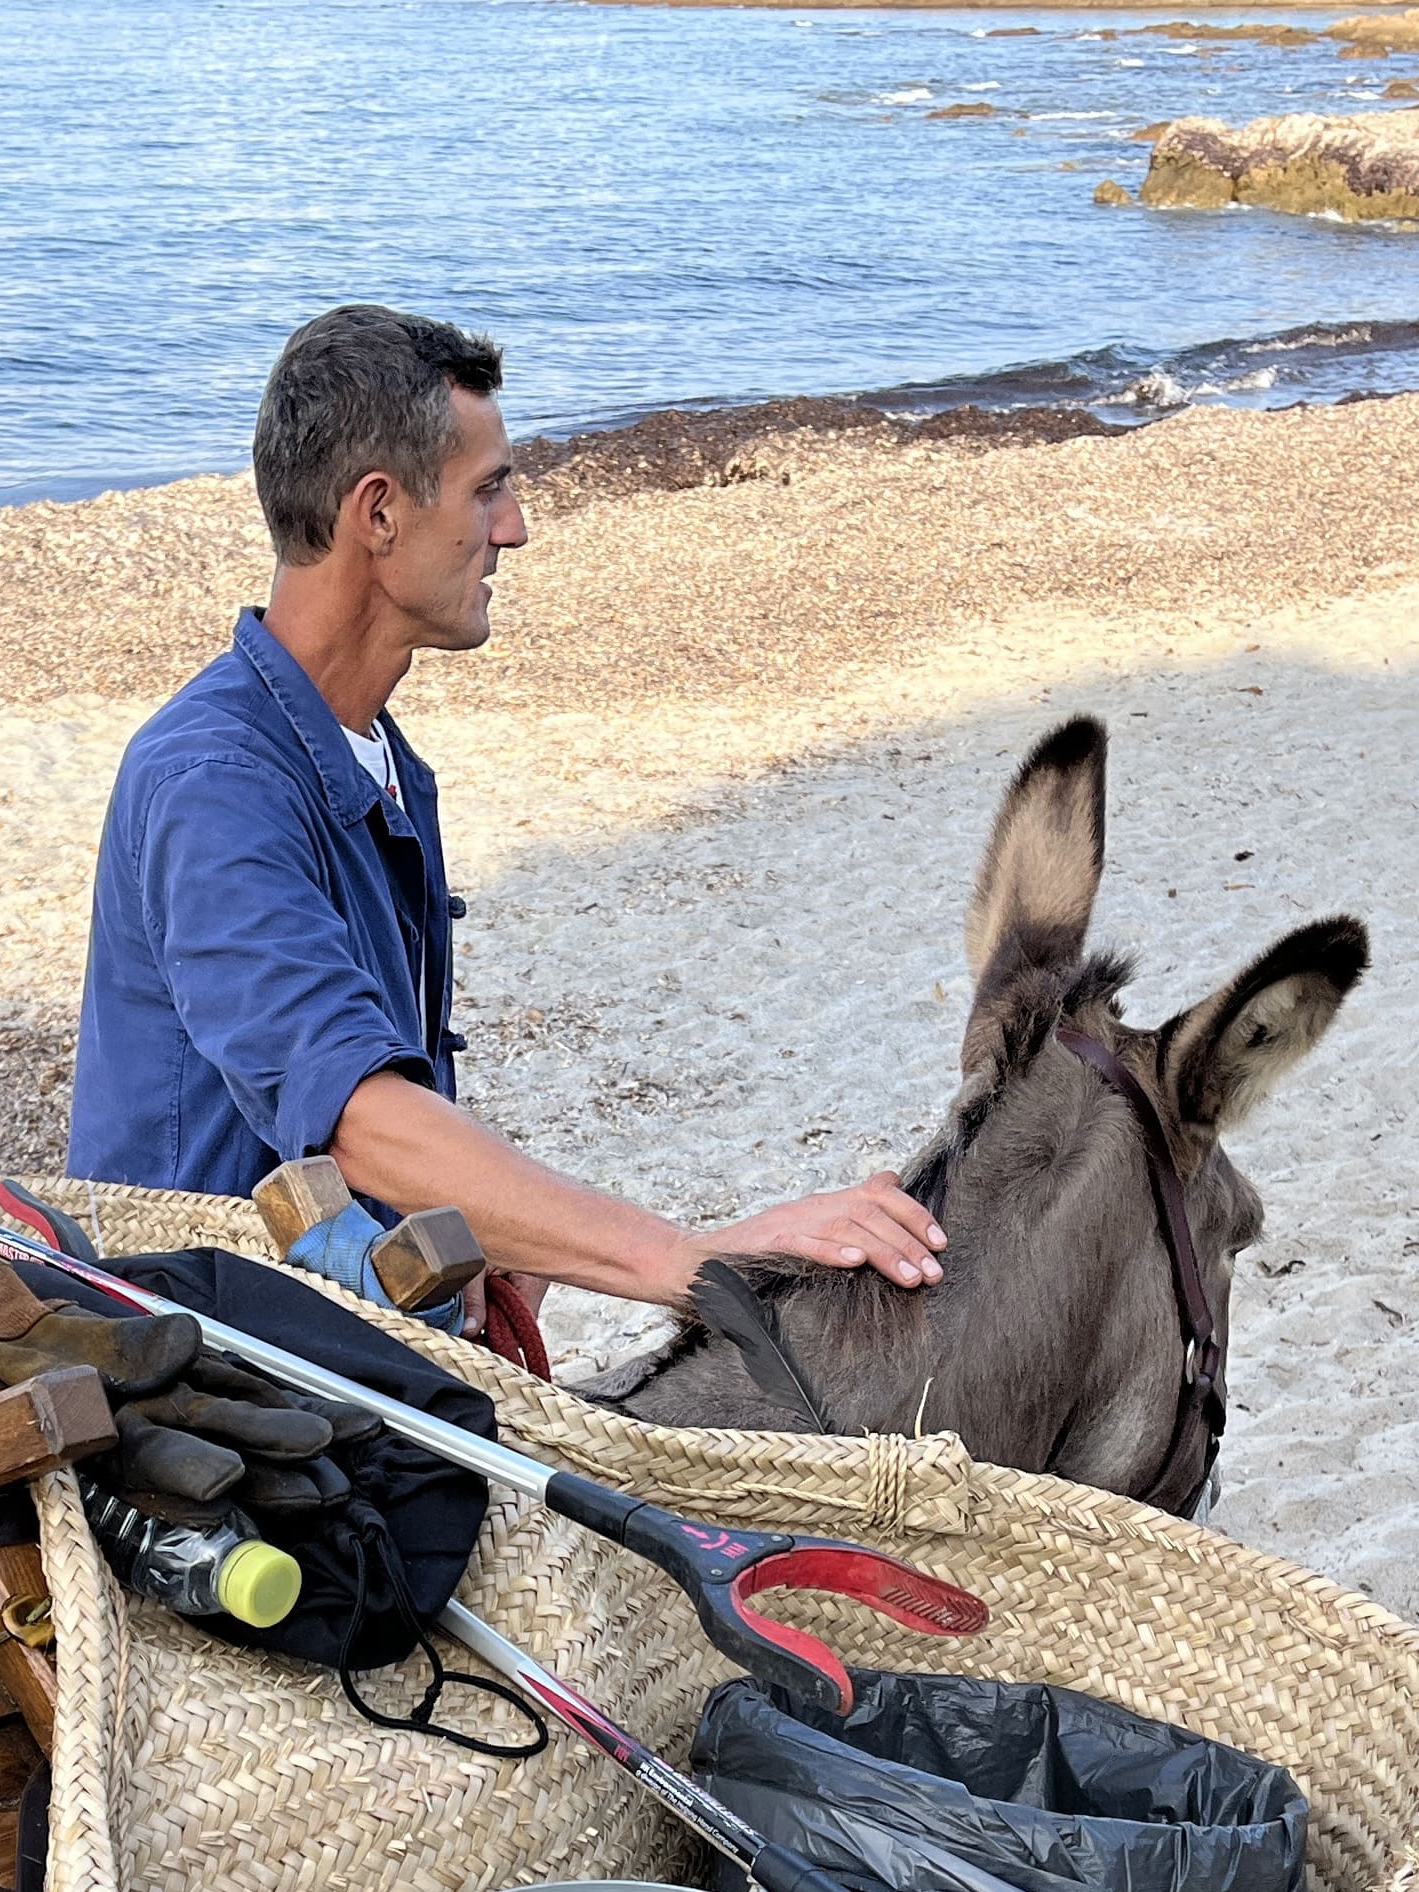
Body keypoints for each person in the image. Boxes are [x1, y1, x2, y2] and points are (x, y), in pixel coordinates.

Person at [67, 303, 944, 1364]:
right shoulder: (215, 783)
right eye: (489, 490)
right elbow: (357, 1118)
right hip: (200, 1363)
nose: (515, 527)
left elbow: (380, 1138)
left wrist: (480, 1241)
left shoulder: (371, 758)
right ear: (378, 515)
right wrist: (686, 1260)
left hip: (338, 1327)